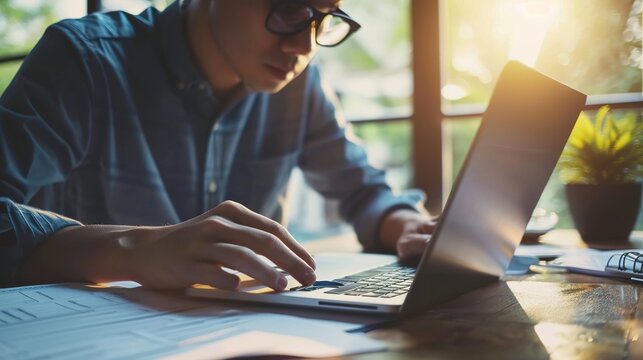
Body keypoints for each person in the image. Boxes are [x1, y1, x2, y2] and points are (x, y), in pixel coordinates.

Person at [0, 0, 434, 291]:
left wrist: (405, 224)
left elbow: (361, 190)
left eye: (324, 17)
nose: (304, 45)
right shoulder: (85, 62)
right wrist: (130, 250)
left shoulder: (299, 88)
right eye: (287, 9)